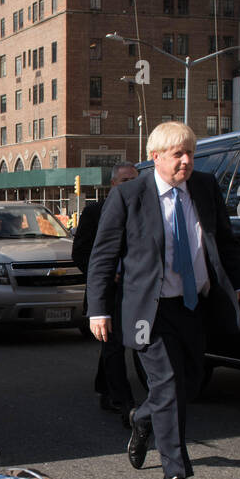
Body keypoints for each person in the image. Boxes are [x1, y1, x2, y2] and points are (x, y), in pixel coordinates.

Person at [86, 123, 240, 479]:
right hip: (149, 310)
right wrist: (97, 309)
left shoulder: (206, 188)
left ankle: (143, 418)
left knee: (188, 384)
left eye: (191, 153)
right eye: (178, 154)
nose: (186, 161)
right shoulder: (129, 196)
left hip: (193, 305)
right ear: (156, 157)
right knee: (169, 381)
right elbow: (103, 256)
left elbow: (225, 242)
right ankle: (175, 472)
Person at [73, 161, 139, 426]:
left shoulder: (145, 209)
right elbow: (80, 252)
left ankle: (104, 387)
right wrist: (105, 273)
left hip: (135, 289)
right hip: (108, 291)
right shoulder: (95, 212)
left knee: (117, 344)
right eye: (125, 181)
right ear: (113, 184)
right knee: (113, 344)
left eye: (135, 179)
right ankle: (125, 404)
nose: (131, 185)